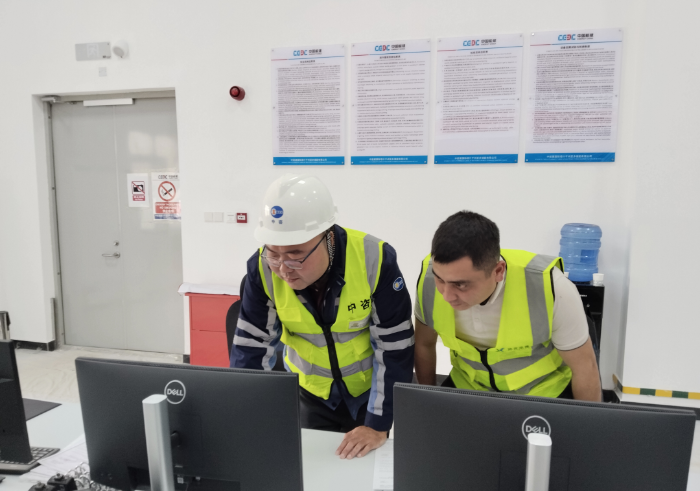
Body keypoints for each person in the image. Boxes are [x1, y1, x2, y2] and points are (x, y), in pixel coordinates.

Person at [231, 174, 414, 459]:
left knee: (364, 471)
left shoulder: (374, 259)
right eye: (273, 253)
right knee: (311, 468)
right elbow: (251, 349)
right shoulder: (262, 269)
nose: (283, 269)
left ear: (328, 237)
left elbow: (395, 348)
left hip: (368, 394)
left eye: (296, 254)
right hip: (310, 394)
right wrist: (252, 418)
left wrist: (378, 425)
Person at [414, 211, 601, 401]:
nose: (446, 295)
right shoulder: (428, 281)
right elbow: (424, 345)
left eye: (461, 285)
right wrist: (428, 403)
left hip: (542, 393)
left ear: (498, 271)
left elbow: (585, 368)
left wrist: (588, 420)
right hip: (469, 388)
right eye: (440, 279)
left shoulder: (551, 287)